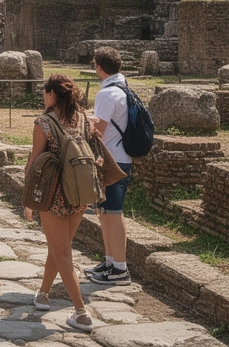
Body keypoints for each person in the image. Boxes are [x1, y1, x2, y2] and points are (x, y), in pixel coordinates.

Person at [24, 74, 98, 333]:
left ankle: (81, 313)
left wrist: (30, 200)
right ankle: (43, 294)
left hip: (53, 195)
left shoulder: (43, 122)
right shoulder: (84, 120)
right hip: (78, 194)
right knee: (59, 248)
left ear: (52, 94)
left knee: (62, 252)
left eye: (45, 92)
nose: (43, 96)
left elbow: (35, 162)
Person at [86, 47, 132, 285]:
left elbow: (99, 132)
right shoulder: (123, 88)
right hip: (120, 156)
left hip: (113, 160)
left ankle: (121, 269)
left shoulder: (106, 94)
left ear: (99, 68)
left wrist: (84, 122)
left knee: (113, 214)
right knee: (104, 212)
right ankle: (110, 260)